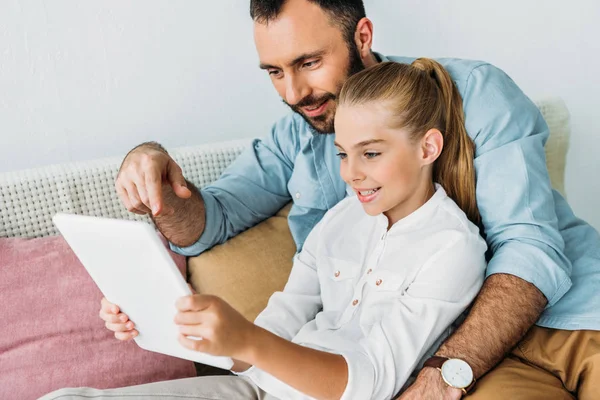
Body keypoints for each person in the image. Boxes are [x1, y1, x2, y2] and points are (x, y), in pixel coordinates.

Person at [52, 0, 600, 398]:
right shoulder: (301, 140)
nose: (293, 93)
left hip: (564, 322)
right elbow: (211, 219)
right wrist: (156, 183)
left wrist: (446, 371)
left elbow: (530, 251)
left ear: (362, 36)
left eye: (309, 63)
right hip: (439, 348)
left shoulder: (474, 92)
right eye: (274, 72)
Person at [44, 59, 488, 399]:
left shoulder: (453, 248)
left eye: (370, 154)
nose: (351, 174)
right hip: (258, 388)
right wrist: (163, 317)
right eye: (342, 154)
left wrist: (250, 342)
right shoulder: (341, 219)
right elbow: (279, 324)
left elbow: (370, 382)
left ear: (428, 147)